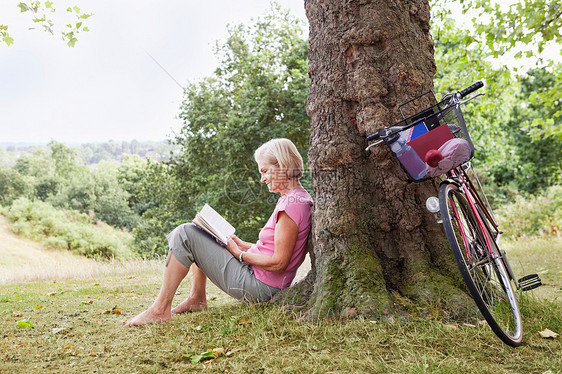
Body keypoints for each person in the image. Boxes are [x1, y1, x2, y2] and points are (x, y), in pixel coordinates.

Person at [124, 138, 313, 326]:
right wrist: (243, 245)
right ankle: (196, 299)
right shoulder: (295, 199)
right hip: (261, 279)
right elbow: (275, 248)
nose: (262, 179)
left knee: (185, 233)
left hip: (260, 287)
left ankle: (159, 310)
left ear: (282, 165)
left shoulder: (291, 206)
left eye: (265, 171)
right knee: (202, 233)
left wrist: (239, 254)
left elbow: (280, 262)